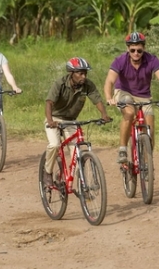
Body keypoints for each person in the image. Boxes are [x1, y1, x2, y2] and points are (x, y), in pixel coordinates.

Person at [104, 32, 159, 164]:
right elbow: (109, 81)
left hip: (144, 96)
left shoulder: (152, 60)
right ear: (128, 49)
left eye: (139, 50)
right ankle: (123, 149)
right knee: (129, 113)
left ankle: (147, 164)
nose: (136, 53)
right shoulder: (120, 60)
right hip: (124, 93)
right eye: (132, 50)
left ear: (144, 49)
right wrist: (109, 98)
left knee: (150, 129)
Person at [43, 57, 111, 186]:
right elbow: (49, 103)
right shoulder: (60, 83)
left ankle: (80, 184)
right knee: (55, 145)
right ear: (71, 73)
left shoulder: (88, 85)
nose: (83, 76)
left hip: (71, 121)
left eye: (85, 73)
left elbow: (97, 100)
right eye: (80, 73)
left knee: (77, 152)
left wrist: (104, 114)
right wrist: (50, 121)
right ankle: (48, 172)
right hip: (55, 118)